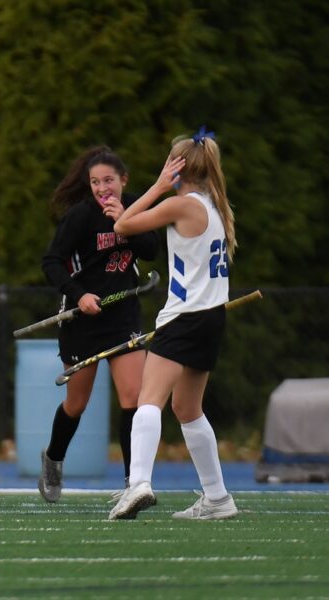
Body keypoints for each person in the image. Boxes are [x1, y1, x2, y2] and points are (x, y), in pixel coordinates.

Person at [108, 127, 238, 520]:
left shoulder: (181, 205)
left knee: (149, 399)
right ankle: (218, 499)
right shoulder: (214, 206)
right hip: (211, 317)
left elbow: (123, 225)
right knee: (187, 408)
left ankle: (138, 484)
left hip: (184, 317)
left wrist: (159, 186)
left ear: (177, 167)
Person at [38, 146, 159, 502]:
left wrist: (125, 221)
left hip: (123, 316)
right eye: (95, 182)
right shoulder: (80, 216)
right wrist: (79, 295)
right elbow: (51, 262)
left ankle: (133, 482)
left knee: (133, 398)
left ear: (123, 180)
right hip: (83, 320)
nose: (102, 188)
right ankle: (53, 458)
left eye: (109, 180)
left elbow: (151, 249)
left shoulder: (135, 206)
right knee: (76, 404)